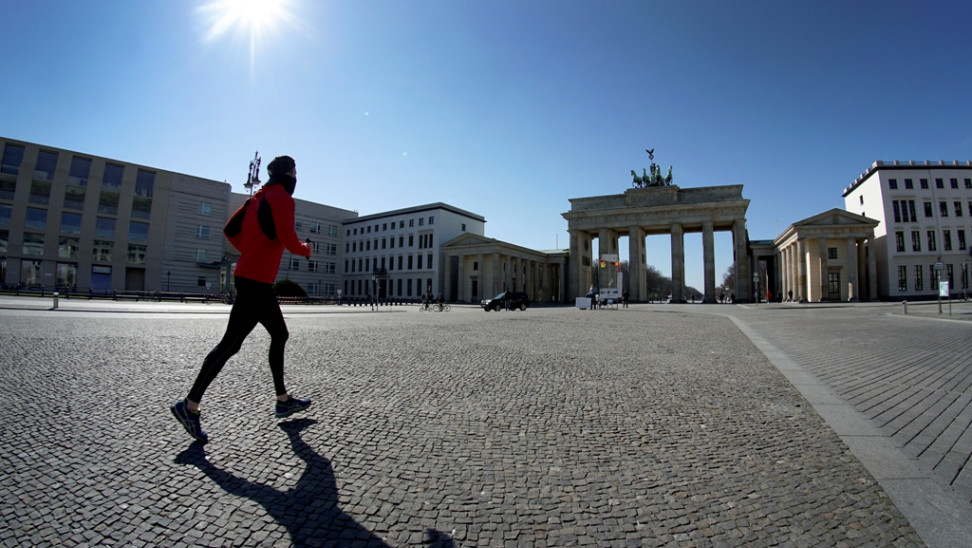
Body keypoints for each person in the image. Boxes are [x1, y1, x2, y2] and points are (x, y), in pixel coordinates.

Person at [171, 155, 313, 443]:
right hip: (256, 281)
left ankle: (282, 399)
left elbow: (229, 231)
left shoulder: (255, 200)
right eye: (295, 172)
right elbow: (288, 239)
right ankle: (189, 405)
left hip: (250, 277)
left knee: (271, 336)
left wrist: (249, 249)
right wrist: (306, 249)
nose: (296, 176)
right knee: (230, 344)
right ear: (288, 174)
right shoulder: (282, 198)